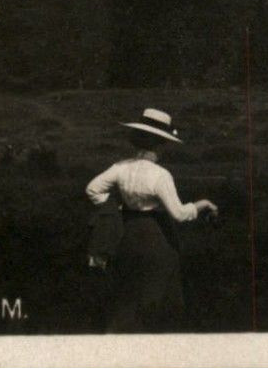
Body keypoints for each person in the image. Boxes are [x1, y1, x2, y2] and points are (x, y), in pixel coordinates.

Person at [84, 107, 217, 331]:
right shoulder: (160, 175)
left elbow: (92, 189)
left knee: (127, 292)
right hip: (155, 236)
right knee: (157, 295)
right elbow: (180, 215)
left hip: (126, 233)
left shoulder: (120, 167)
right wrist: (203, 204)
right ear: (160, 145)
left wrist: (116, 206)